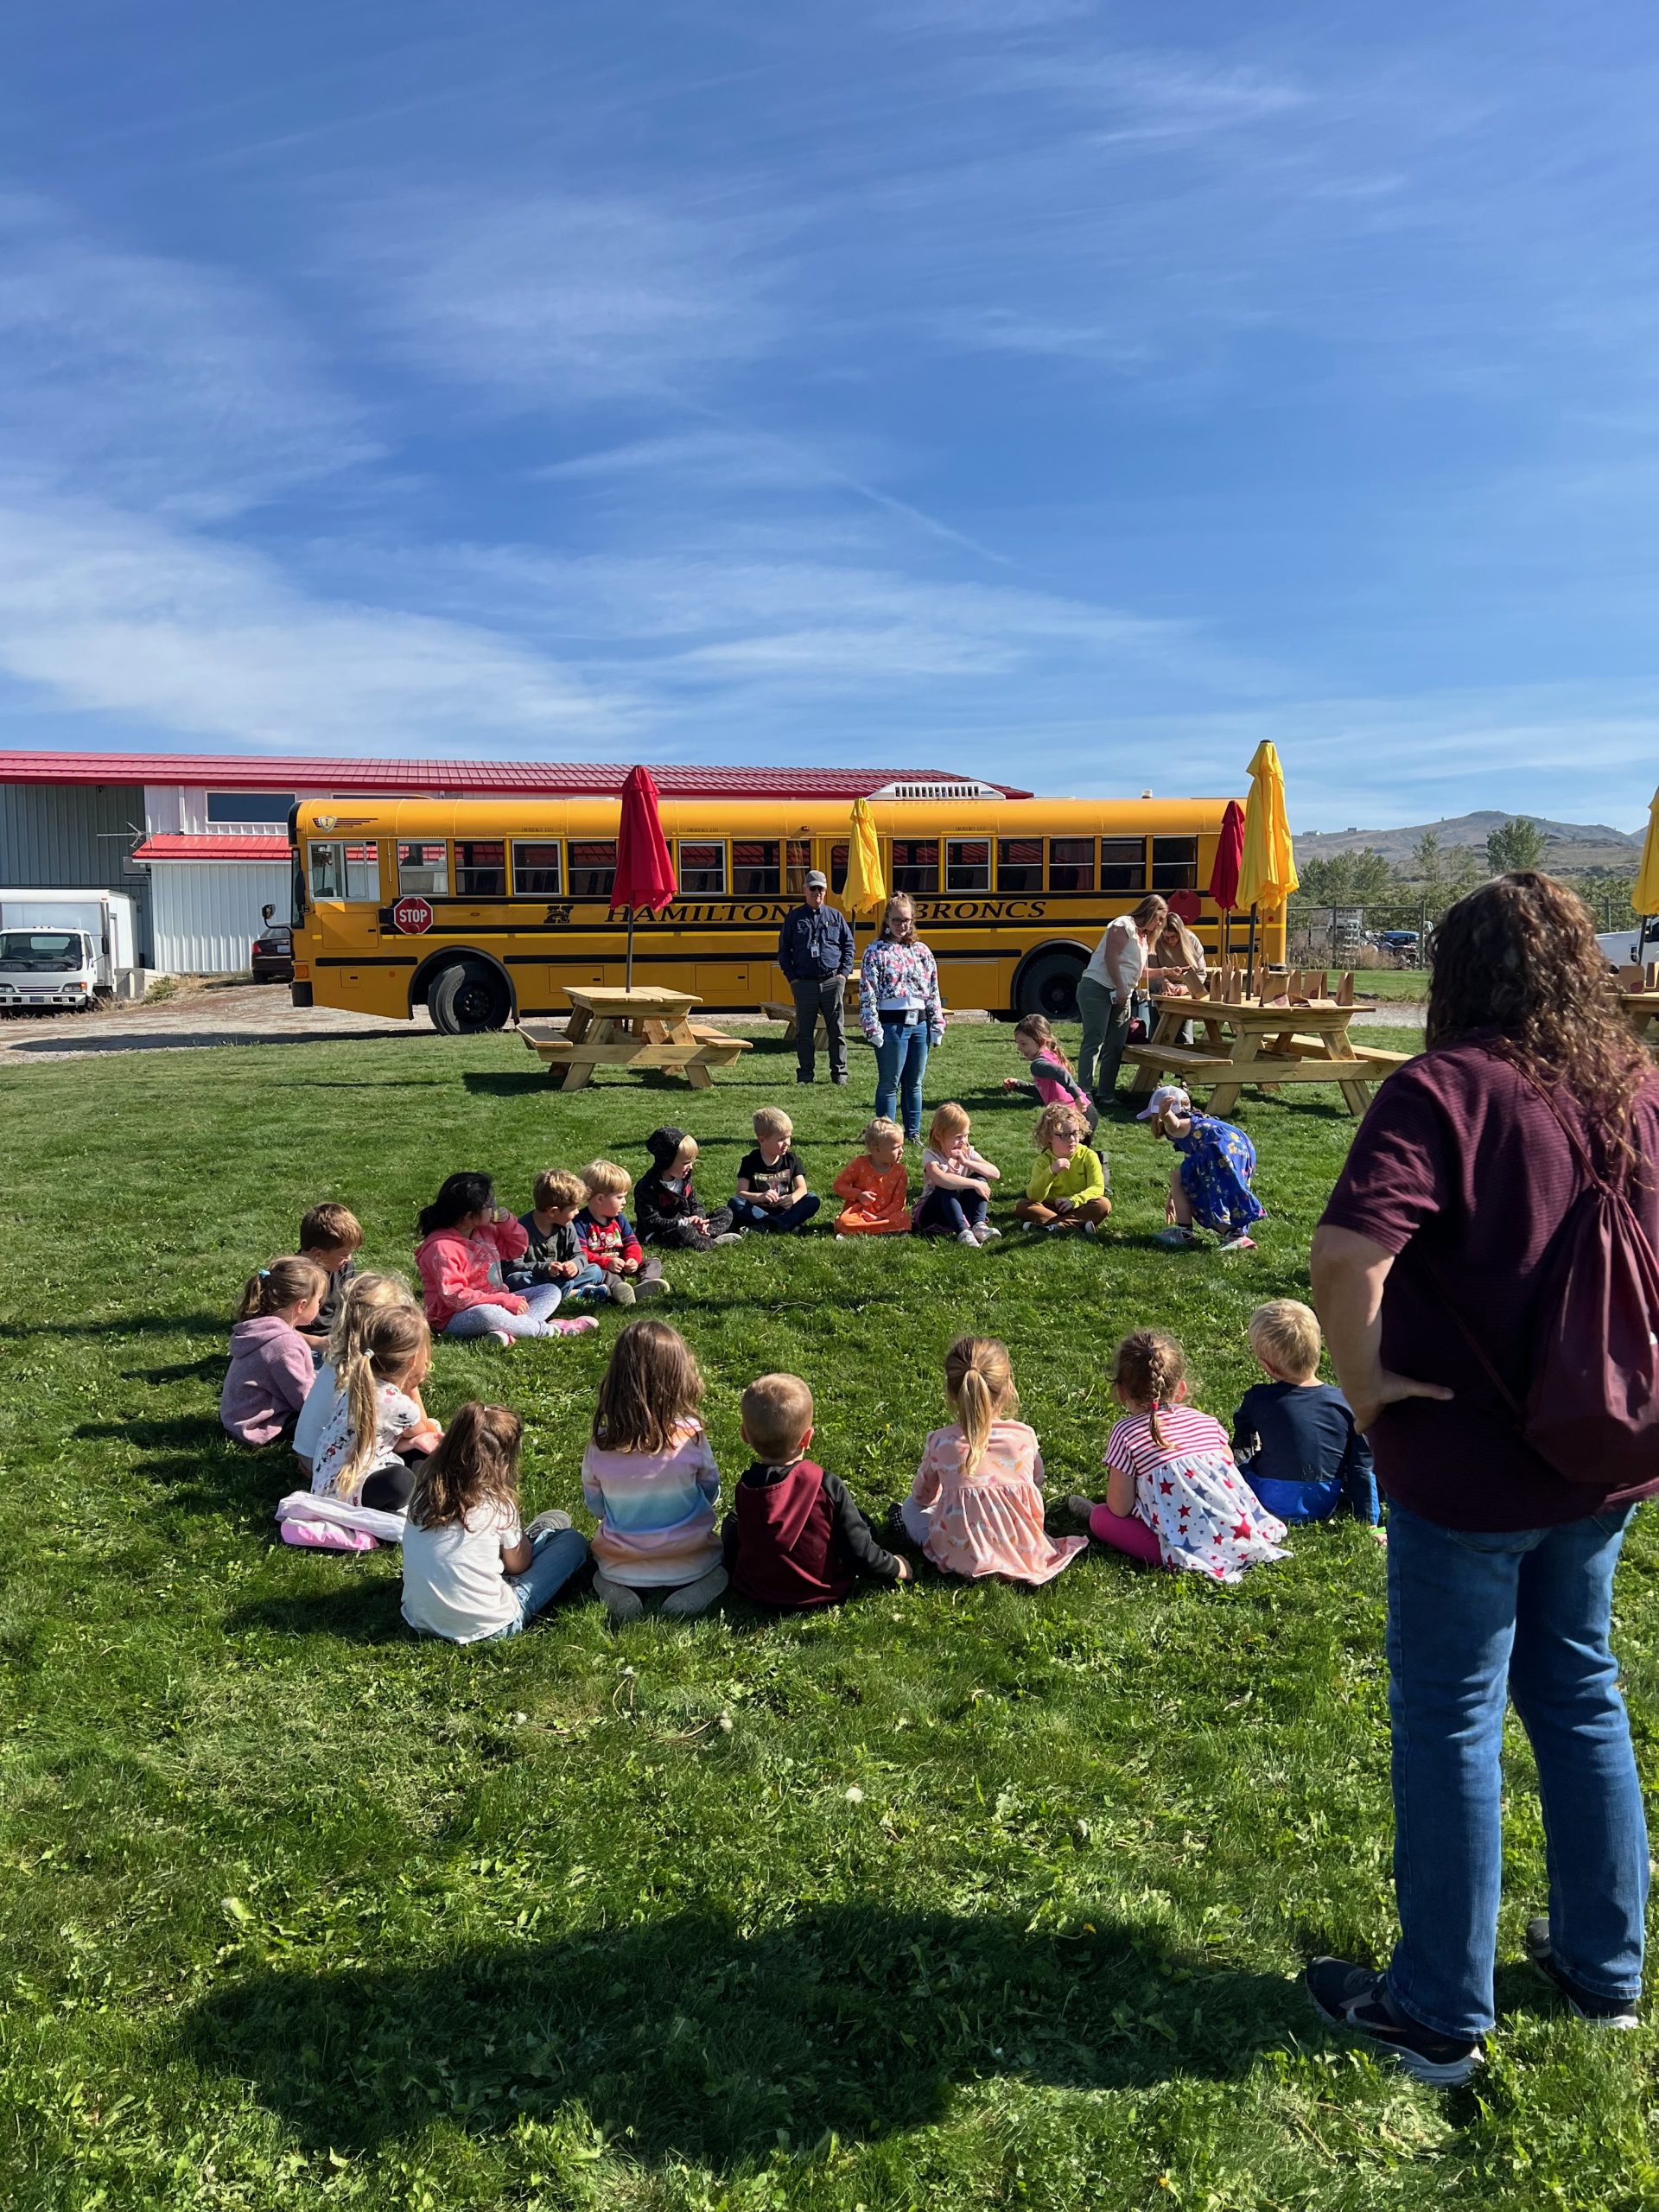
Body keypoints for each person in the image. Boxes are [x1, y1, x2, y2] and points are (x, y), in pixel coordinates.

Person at [1305, 872, 1659, 2083]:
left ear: (1457, 972)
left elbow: (1350, 1254)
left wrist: (1361, 1388)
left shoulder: (1443, 1088)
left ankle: (1440, 2015)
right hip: (1606, 1453)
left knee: (1453, 1719)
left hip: (1468, 1470)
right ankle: (1605, 1969)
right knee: (1580, 1688)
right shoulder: (1640, 1087)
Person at [1068, 1328, 1288, 1581]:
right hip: (1237, 1530)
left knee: (1102, 1518)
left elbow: (1119, 1508)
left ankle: (1174, 1549)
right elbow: (1229, 1470)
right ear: (1181, 1389)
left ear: (1120, 1392)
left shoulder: (1125, 1433)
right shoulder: (1206, 1422)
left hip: (1186, 1543)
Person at [898, 1338, 1086, 1585]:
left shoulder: (940, 1442)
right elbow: (1035, 1483)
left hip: (962, 1556)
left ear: (952, 1393)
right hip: (1022, 1550)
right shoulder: (1024, 1436)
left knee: (910, 1508)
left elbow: (922, 1497)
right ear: (1008, 1387)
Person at [401, 1402, 589, 1643]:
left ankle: (522, 1540)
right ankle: (531, 1539)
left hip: (419, 1618)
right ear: (502, 1461)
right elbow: (518, 1567)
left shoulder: (422, 1492)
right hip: (492, 1626)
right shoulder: (497, 1504)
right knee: (572, 1542)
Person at [721, 1372, 912, 1606]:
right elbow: (860, 1552)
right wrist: (896, 1566)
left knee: (733, 1523)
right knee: (861, 1523)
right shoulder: (826, 1485)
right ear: (807, 1438)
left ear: (744, 1435)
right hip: (820, 1591)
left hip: (757, 1590)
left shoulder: (747, 1487)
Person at [582, 1319, 727, 1620]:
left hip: (620, 1565)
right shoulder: (691, 1437)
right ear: (678, 1379)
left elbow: (595, 1506)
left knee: (599, 1575)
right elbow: (710, 1489)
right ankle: (695, 1591)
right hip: (694, 1559)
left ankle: (616, 1592)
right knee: (721, 1572)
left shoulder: (602, 1445)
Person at [1231, 1300, 1379, 1528]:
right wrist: (1371, 1525)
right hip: (1325, 1500)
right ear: (1319, 1351)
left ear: (1268, 1366)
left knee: (1239, 1463)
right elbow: (1362, 1467)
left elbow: (1243, 1429)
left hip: (1268, 1497)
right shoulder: (1345, 1402)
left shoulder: (1258, 1398)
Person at [416, 1172, 599, 1343]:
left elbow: (516, 1249)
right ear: (470, 1216)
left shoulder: (483, 1231)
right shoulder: (441, 1248)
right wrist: (503, 1300)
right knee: (487, 1314)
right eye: (489, 1206)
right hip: (453, 1316)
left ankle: (506, 1332)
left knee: (550, 1291)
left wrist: (508, 1223)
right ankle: (551, 1330)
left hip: (496, 1300)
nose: (494, 1208)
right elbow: (455, 1297)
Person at [309, 1302, 443, 1512]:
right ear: (413, 1359)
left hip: (325, 1482)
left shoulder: (358, 1383)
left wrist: (413, 1441)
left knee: (415, 1449)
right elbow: (429, 1431)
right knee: (404, 1478)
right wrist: (413, 1387)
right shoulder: (398, 1404)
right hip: (349, 1491)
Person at [294, 1270, 417, 1475]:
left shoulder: (338, 1356)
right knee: (419, 1454)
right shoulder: (369, 1370)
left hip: (308, 1456)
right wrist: (411, 1383)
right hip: (331, 1466)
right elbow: (414, 1427)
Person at [860, 893, 944, 1144]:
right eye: (896, 920)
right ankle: (885, 1136)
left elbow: (933, 990)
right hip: (891, 1023)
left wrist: (937, 1023)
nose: (901, 925)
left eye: (906, 920)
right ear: (886, 919)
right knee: (889, 1082)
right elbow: (868, 992)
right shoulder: (875, 951)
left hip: (919, 1023)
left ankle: (913, 1132)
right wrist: (872, 1027)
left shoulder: (922, 951)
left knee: (914, 1083)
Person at [1139, 1084, 1263, 1253]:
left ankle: (1185, 1233)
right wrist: (1174, 1195)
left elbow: (1173, 1124)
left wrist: (1165, 1114)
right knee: (1217, 1191)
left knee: (1184, 1180)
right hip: (1239, 1148)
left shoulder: (1173, 1125)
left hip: (1218, 1151)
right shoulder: (1197, 1121)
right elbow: (1190, 1160)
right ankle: (1234, 1234)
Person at [220, 1256, 329, 1444]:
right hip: (259, 1425)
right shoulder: (283, 1346)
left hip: (238, 1416)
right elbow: (305, 1402)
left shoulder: (264, 1329)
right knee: (330, 1425)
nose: (320, 1307)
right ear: (301, 1306)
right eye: (318, 1301)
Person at [1077, 894, 1168, 1109]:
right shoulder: (1122, 925)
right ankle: (1084, 1094)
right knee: (1094, 1040)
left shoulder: (1144, 937)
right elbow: (1111, 957)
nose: (1160, 925)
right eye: (1159, 919)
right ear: (1149, 912)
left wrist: (1165, 971)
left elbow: (1136, 970)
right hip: (1098, 987)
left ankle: (1106, 1094)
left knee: (1116, 1045)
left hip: (1122, 994)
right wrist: (1119, 987)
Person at [777, 868, 855, 1086]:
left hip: (832, 982)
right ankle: (805, 1075)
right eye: (813, 889)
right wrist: (792, 979)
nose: (817, 893)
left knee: (836, 1031)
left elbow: (848, 947)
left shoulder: (835, 917)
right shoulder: (794, 918)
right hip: (804, 984)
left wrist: (843, 975)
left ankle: (839, 1074)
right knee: (804, 1033)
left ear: (826, 891)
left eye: (821, 889)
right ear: (805, 890)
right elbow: (784, 952)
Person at [506, 1170, 614, 1304]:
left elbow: (579, 1255)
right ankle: (576, 1292)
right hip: (537, 1278)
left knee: (595, 1271)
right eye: (573, 1209)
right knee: (515, 1280)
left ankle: (558, 1292)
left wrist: (574, 1265)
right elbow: (513, 1267)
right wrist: (545, 1268)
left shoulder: (567, 1225)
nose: (577, 1212)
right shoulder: (520, 1230)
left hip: (562, 1278)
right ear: (553, 1211)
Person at [575, 1161, 668, 1304]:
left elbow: (632, 1243)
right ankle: (620, 1291)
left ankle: (645, 1284)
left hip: (623, 1263)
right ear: (600, 1199)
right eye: (619, 1197)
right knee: (603, 1274)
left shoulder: (619, 1219)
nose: (624, 1202)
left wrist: (633, 1260)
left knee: (652, 1263)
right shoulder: (581, 1222)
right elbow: (581, 1254)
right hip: (603, 1267)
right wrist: (606, 1263)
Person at [634, 1128, 740, 1251]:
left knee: (726, 1212)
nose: (690, 1167)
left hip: (689, 1224)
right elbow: (652, 1222)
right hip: (662, 1232)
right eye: (686, 1162)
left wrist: (699, 1219)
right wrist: (682, 1223)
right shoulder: (648, 1186)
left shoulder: (683, 1179)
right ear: (667, 1160)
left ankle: (704, 1234)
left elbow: (695, 1203)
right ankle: (712, 1243)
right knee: (684, 1232)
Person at [1014, 1102, 1111, 1234]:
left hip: (1079, 1206)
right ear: (1049, 1138)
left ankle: (1054, 1227)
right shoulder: (1043, 1161)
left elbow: (1098, 1187)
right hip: (1050, 1206)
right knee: (1022, 1206)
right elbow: (1034, 1196)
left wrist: (1074, 1201)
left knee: (1103, 1204)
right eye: (1064, 1135)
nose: (1072, 1139)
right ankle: (1076, 1225)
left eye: (1075, 1133)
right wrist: (1051, 1172)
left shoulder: (1088, 1155)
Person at [913, 1102, 1001, 1246]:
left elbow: (995, 1173)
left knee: (979, 1176)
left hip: (956, 1207)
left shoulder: (966, 1152)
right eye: (958, 1137)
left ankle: (979, 1225)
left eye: (966, 1135)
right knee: (947, 1186)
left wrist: (967, 1163)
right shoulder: (932, 1157)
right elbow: (940, 1179)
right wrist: (975, 1184)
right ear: (939, 1136)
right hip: (932, 1212)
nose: (963, 1142)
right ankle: (963, 1232)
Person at [1000, 1014, 1098, 1135]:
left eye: (1023, 1044)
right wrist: (1018, 1085)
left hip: (1073, 1117)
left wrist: (1077, 1096)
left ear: (1041, 1041)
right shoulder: (1051, 1055)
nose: (1019, 1048)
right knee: (1077, 1154)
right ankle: (1100, 1155)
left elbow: (1060, 1073)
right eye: (1018, 1043)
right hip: (1086, 1112)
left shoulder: (1038, 1064)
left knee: (1056, 1153)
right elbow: (1044, 1093)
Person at [731, 1109, 821, 1234]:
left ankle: (768, 1226)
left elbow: (802, 1189)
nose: (787, 1143)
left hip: (786, 1209)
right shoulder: (750, 1162)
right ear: (762, 1140)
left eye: (789, 1137)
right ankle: (782, 1225)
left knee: (812, 1199)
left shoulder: (791, 1159)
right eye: (781, 1139)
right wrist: (760, 1197)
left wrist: (792, 1198)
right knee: (735, 1203)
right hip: (758, 1211)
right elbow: (740, 1194)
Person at [296, 1202, 364, 1348]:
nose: (349, 1259)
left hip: (335, 1341)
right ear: (319, 1255)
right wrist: (316, 1343)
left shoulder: (344, 1270)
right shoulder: (289, 1280)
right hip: (300, 1345)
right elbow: (272, 1329)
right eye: (344, 1254)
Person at [832, 1117, 911, 1236]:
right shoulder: (859, 1164)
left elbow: (899, 1201)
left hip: (887, 1215)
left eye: (902, 1146)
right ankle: (882, 1230)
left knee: (904, 1218)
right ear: (877, 1150)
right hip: (861, 1214)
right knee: (844, 1221)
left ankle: (865, 1230)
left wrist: (879, 1217)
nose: (901, 1151)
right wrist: (858, 1195)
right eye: (896, 1148)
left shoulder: (900, 1171)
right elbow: (839, 1185)